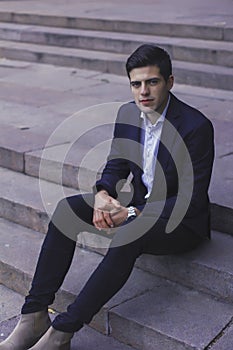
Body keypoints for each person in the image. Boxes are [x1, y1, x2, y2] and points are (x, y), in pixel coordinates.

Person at [0, 44, 214, 350]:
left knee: (129, 232)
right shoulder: (129, 113)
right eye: (136, 84)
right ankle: (34, 315)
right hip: (139, 209)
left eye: (152, 82)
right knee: (66, 210)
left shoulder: (195, 127)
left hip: (180, 224)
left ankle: (62, 332)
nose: (144, 92)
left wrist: (131, 214)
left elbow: (190, 200)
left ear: (170, 81)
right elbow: (116, 164)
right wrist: (103, 194)